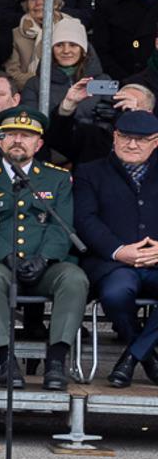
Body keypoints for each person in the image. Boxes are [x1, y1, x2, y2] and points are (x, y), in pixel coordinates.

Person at [0, 106, 88, 390]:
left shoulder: (56, 178)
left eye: (26, 135)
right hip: (1, 263)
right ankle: (6, 359)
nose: (18, 140)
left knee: (74, 278)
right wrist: (7, 255)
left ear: (39, 143)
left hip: (44, 265)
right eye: (10, 134)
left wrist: (44, 259)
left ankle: (56, 361)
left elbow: (62, 225)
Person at [72, 110, 158, 388]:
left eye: (141, 140)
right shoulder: (89, 171)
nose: (132, 145)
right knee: (116, 294)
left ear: (156, 141)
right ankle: (146, 357)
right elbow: (85, 220)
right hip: (112, 264)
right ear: (114, 137)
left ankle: (132, 358)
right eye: (125, 137)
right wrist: (119, 250)